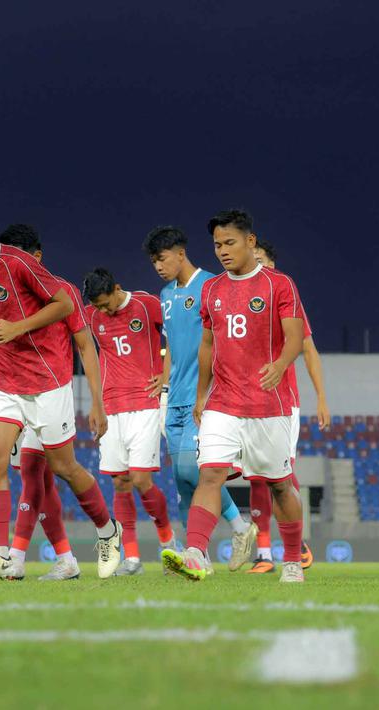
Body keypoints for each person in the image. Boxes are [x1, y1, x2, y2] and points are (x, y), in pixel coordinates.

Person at [0, 216, 122, 579]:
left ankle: (107, 530)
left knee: (63, 468)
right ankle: (1, 552)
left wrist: (97, 402)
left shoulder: (21, 266)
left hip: (48, 383)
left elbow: (68, 312)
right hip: (6, 382)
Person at [161, 209, 307, 583]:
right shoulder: (212, 289)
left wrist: (280, 364)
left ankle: (292, 557)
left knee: (279, 483)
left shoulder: (280, 285)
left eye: (230, 243)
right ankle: (195, 552)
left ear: (250, 241)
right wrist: (201, 395)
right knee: (209, 475)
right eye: (217, 245)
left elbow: (295, 338)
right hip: (223, 402)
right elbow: (207, 344)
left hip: (267, 403)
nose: (223, 251)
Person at [144, 226, 256, 572]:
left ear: (180, 254)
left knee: (195, 471)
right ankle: (196, 555)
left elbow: (219, 339)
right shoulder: (164, 295)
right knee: (181, 481)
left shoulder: (212, 286)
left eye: (162, 259)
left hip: (205, 399)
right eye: (153, 263)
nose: (158, 268)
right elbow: (171, 347)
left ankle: (241, 528)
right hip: (173, 399)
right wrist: (164, 377)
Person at [83, 268, 179, 575]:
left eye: (105, 303)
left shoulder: (146, 304)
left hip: (144, 404)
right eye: (97, 306)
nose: (103, 311)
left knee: (140, 479)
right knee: (120, 482)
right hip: (111, 407)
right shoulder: (93, 316)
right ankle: (133, 558)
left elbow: (178, 335)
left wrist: (164, 379)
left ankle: (168, 545)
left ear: (117, 287)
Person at [244, 239, 329, 574]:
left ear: (273, 265)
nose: (257, 265)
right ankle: (263, 554)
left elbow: (308, 351)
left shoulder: (285, 299)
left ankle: (296, 545)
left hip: (281, 402)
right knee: (254, 478)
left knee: (278, 476)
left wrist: (321, 396)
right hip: (242, 403)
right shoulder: (235, 298)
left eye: (262, 259)